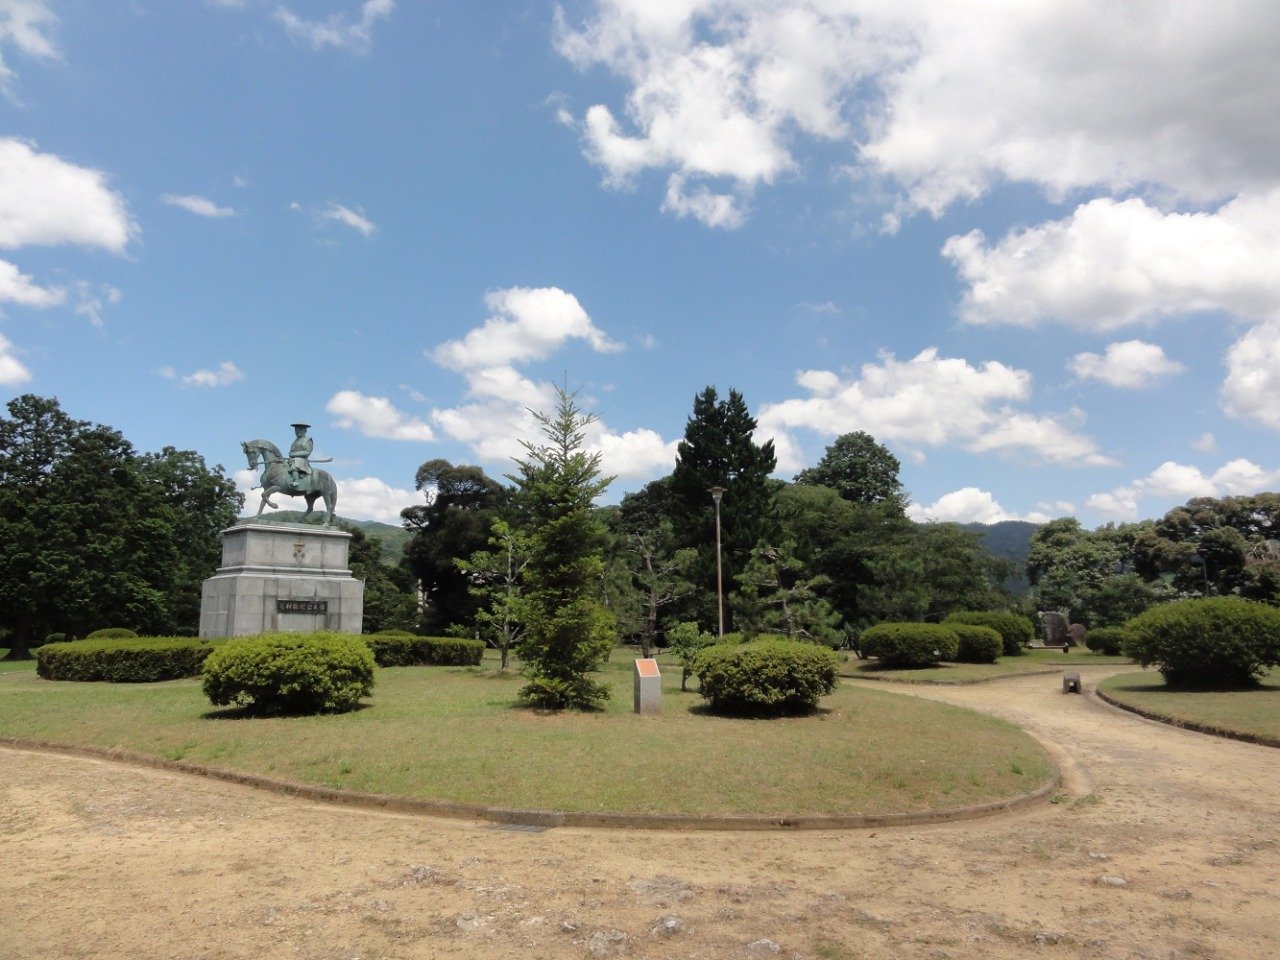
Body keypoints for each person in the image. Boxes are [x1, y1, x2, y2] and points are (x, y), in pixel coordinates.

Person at [287, 423, 313, 489]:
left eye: (300, 429)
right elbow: (292, 451)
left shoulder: (307, 440)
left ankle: (296, 481)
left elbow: (307, 452)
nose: (297, 431)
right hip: (292, 459)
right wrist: (291, 454)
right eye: (296, 430)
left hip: (302, 460)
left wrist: (294, 454)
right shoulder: (295, 441)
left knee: (294, 466)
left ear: (305, 430)